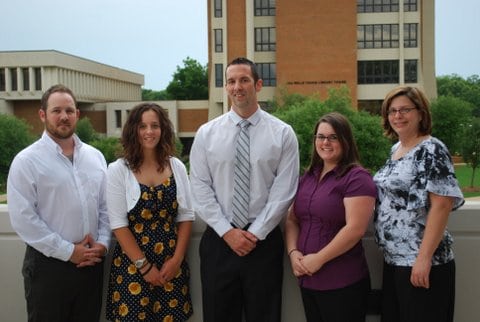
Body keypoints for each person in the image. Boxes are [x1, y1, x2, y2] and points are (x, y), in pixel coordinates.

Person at [189, 57, 299, 322]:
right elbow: (199, 187)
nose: (237, 86)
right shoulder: (206, 134)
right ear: (226, 87)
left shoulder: (283, 134)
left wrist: (256, 233)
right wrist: (228, 233)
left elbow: (284, 191)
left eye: (244, 80)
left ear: (258, 84)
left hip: (263, 243)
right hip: (219, 240)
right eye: (231, 81)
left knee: (265, 316)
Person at [7, 84, 110, 322]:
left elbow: (105, 207)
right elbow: (24, 220)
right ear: (43, 114)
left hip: (91, 265)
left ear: (77, 114)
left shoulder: (95, 158)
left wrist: (103, 243)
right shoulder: (26, 161)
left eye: (69, 110)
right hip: (48, 267)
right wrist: (69, 251)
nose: (64, 116)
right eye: (56, 111)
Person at [374, 86, 465, 322]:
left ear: (421, 113)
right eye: (392, 111)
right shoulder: (396, 149)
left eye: (405, 109)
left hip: (423, 262)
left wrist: (423, 259)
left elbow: (442, 205)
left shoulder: (432, 149)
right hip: (394, 260)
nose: (397, 116)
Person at [105, 102, 194, 321]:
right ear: (133, 130)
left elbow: (186, 216)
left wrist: (176, 260)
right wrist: (144, 267)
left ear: (163, 129)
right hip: (132, 267)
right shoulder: (118, 170)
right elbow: (118, 224)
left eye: (155, 125)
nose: (149, 131)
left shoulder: (177, 167)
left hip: (170, 267)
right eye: (142, 126)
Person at [284, 112, 376, 322]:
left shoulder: (357, 178)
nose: (325, 142)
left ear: (345, 141)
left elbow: (355, 229)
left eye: (333, 137)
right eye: (320, 136)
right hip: (308, 280)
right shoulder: (307, 177)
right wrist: (293, 252)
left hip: (343, 282)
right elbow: (292, 220)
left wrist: (319, 259)